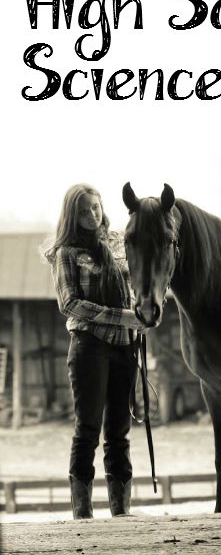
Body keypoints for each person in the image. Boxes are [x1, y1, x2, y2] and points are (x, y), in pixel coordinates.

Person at [45, 184, 145, 520]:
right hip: (89, 347)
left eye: (97, 208)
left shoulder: (117, 243)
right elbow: (70, 304)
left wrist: (143, 315)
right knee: (88, 427)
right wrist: (125, 317)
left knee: (119, 430)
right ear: (73, 214)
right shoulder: (65, 254)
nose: (93, 215)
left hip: (124, 346)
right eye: (85, 210)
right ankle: (83, 514)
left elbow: (137, 282)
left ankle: (121, 511)